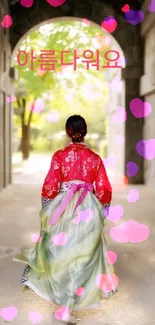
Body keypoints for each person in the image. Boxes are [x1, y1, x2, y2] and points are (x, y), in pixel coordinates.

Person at [13, 115, 118, 324]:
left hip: (64, 206)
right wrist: (102, 211)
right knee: (84, 254)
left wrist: (47, 208)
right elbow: (104, 189)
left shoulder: (60, 156)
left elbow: (51, 185)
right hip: (88, 207)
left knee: (61, 253)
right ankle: (70, 304)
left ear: (68, 131)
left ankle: (64, 305)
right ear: (85, 131)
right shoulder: (95, 158)